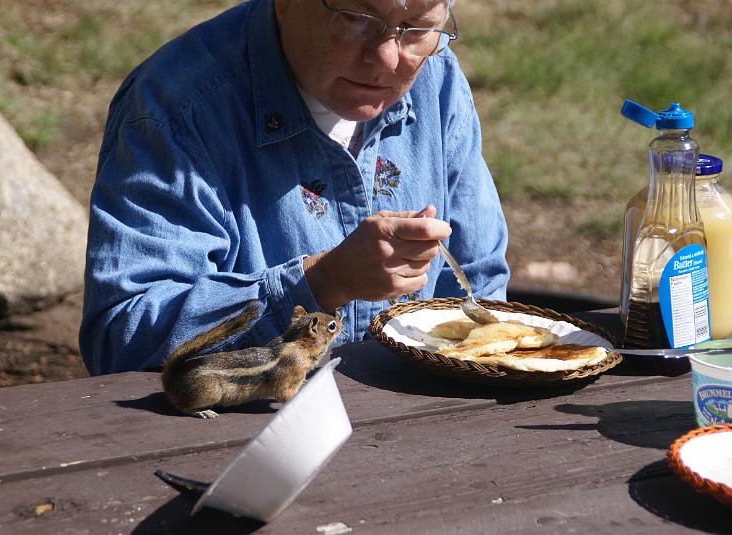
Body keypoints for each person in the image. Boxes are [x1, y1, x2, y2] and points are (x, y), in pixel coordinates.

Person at [80, 0, 510, 375]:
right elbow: (122, 339)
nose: (387, 57)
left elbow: (479, 286)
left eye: (416, 27)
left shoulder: (437, 77)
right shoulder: (179, 110)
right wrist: (321, 282)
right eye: (358, 17)